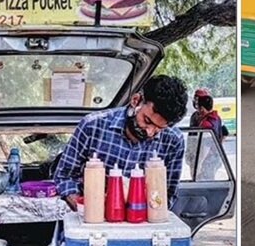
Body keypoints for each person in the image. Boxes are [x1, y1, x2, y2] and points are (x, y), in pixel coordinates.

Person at [54, 75, 188, 211]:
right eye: (147, 121)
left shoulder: (173, 141)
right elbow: (64, 175)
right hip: (91, 219)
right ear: (136, 101)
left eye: (159, 128)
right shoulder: (93, 126)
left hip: (141, 223)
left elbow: (168, 193)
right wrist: (84, 208)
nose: (150, 132)